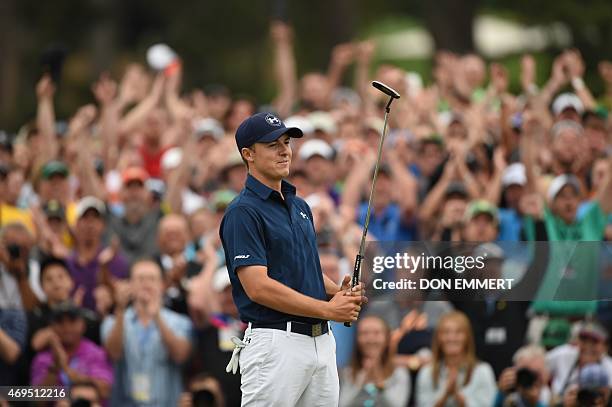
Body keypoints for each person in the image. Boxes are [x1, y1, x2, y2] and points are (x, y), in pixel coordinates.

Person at [219, 112, 364, 406]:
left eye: (286, 142)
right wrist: (328, 310)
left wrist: (338, 292)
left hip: (321, 343)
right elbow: (258, 287)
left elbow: (304, 271)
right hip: (275, 344)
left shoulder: (300, 206)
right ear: (248, 154)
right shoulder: (242, 212)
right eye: (273, 144)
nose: (285, 150)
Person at [101, 259, 193, 406]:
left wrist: (157, 317)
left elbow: (180, 356)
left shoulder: (180, 322)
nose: (146, 284)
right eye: (140, 279)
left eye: (152, 279)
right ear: (130, 284)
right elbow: (114, 354)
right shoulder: (113, 321)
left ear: (162, 285)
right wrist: (119, 309)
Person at [30, 300, 113, 399]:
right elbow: (36, 400)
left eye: (72, 320)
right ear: (51, 326)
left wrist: (81, 379)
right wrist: (54, 368)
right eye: (60, 321)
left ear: (83, 324)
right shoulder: (43, 357)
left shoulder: (95, 353)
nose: (67, 327)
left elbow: (106, 391)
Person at [416, 311, 497, 407]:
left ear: (467, 337)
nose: (451, 338)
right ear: (438, 338)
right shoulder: (426, 373)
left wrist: (458, 397)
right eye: (446, 332)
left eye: (458, 332)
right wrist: (445, 395)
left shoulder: (483, 371)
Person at [339, 315, 410, 407]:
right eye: (364, 333)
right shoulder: (347, 372)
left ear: (387, 338)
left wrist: (379, 382)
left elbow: (397, 404)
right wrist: (362, 379)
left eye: (376, 333)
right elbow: (343, 404)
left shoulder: (399, 373)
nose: (370, 339)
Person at [546, 321, 612, 402]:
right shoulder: (564, 354)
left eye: (594, 342)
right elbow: (537, 365)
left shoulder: (609, 367)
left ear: (605, 347)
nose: (588, 346)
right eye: (584, 340)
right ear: (577, 341)